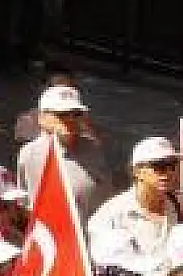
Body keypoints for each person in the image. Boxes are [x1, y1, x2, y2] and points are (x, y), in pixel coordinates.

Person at [86, 136, 183, 276]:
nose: (168, 172)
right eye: (158, 166)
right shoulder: (109, 216)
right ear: (137, 171)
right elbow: (107, 270)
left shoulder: (182, 205)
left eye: (172, 165)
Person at [16, 83, 113, 221]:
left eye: (76, 114)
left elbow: (106, 192)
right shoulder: (31, 154)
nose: (70, 119)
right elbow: (28, 202)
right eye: (62, 114)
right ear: (42, 118)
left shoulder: (92, 147)